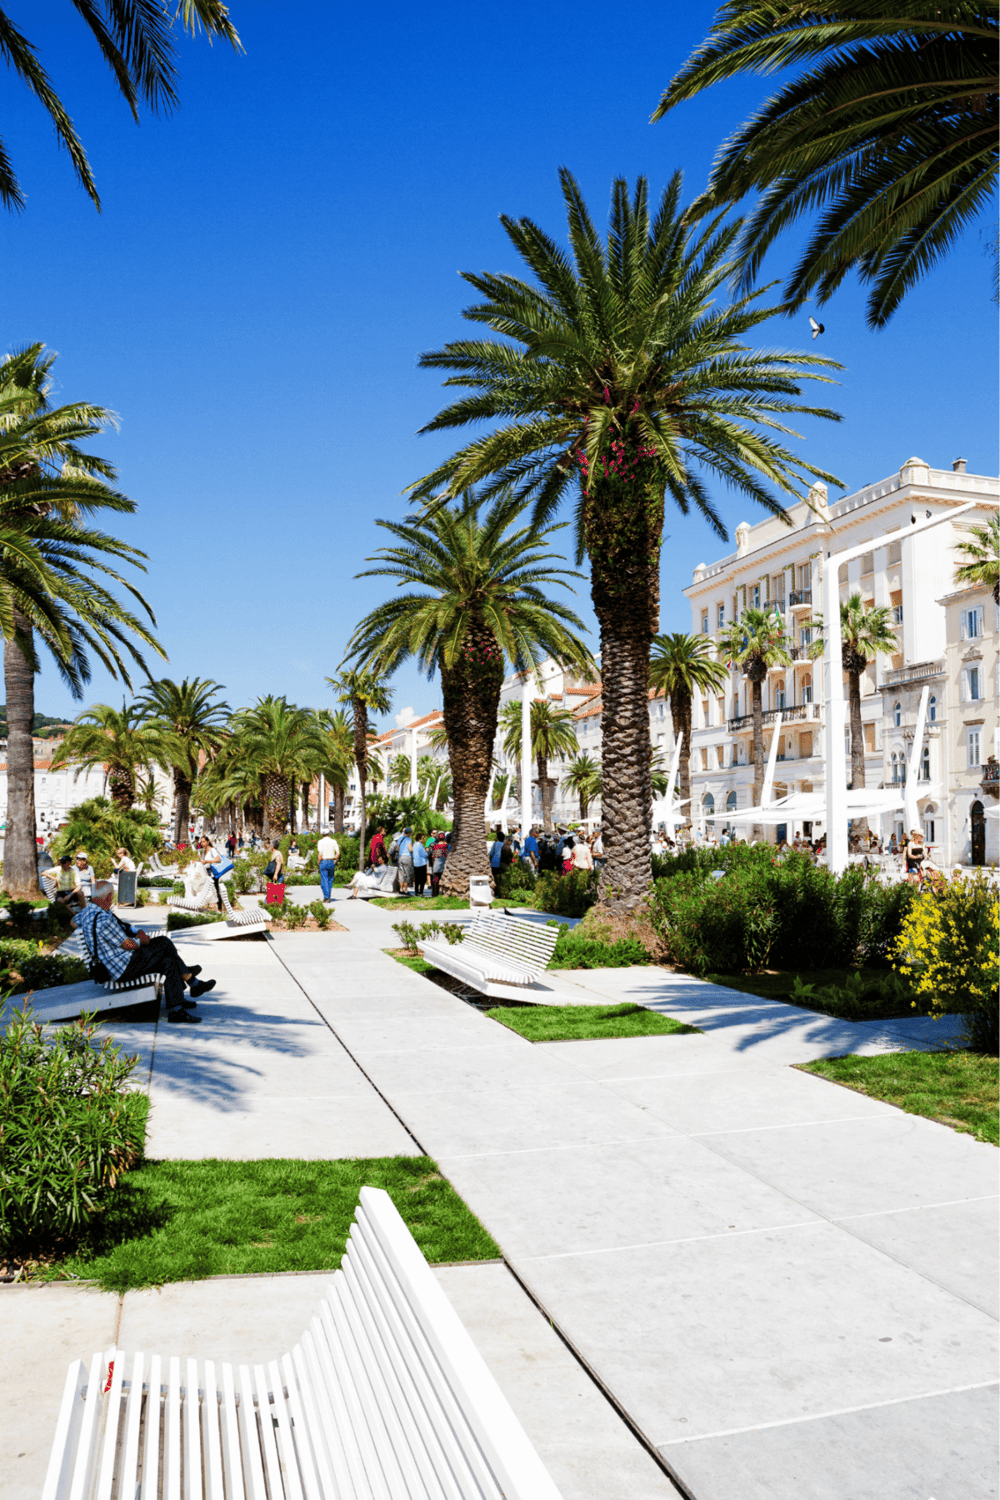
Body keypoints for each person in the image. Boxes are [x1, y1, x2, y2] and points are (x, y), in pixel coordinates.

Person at [74, 880, 214, 1024]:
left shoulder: (87, 912)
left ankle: (177, 1008)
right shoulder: (103, 919)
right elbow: (130, 945)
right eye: (112, 896)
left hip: (114, 964)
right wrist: (143, 941)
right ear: (109, 897)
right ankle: (190, 978)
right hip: (123, 968)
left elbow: (73, 922)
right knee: (164, 943)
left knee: (169, 961)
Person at [317, 830, 340, 901]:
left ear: (322, 835)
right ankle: (328, 896)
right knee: (330, 879)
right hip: (331, 861)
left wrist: (318, 861)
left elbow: (320, 853)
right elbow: (338, 853)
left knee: (324, 879)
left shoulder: (320, 842)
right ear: (329, 834)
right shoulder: (333, 841)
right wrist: (334, 859)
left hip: (324, 861)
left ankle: (326, 897)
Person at [429, 830, 449, 896]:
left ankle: (435, 893)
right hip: (444, 864)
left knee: (436, 880)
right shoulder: (447, 846)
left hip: (436, 864)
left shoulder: (435, 846)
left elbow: (432, 856)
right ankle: (443, 893)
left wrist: (433, 864)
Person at [397, 827, 414, 894]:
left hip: (400, 857)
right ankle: (406, 889)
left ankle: (401, 889)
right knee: (407, 873)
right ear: (409, 833)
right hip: (407, 857)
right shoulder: (408, 839)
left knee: (401, 873)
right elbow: (410, 849)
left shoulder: (400, 839)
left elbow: (397, 848)